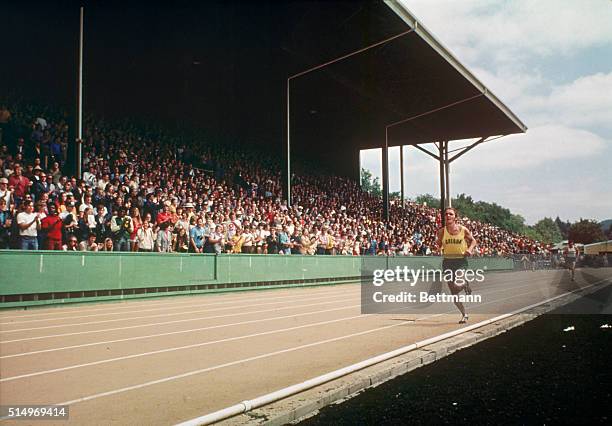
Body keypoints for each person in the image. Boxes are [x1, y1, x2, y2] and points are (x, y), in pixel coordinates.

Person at [436, 207, 477, 324]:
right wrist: (437, 246)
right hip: (448, 262)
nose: (448, 216)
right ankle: (464, 314)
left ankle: (464, 284)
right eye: (446, 214)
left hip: (460, 261)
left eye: (451, 214)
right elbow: (438, 244)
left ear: (455, 217)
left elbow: (473, 241)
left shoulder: (463, 230)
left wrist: (469, 249)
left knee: (458, 282)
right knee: (453, 292)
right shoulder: (441, 231)